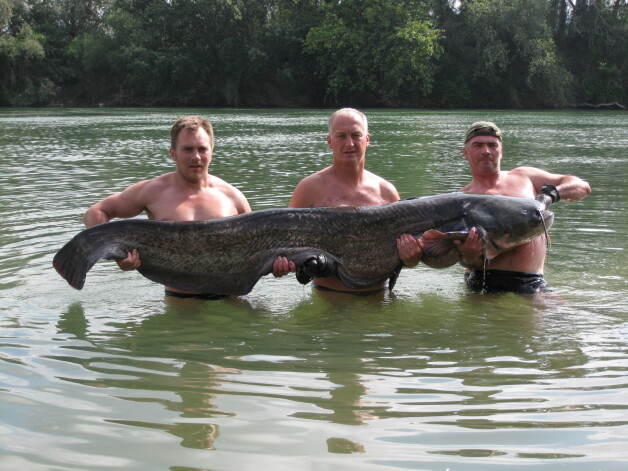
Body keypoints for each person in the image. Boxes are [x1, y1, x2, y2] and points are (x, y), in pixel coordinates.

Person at [83, 115, 252, 300]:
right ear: (173, 153)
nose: (196, 157)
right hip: (181, 303)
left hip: (231, 301)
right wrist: (118, 255)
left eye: (202, 149)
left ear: (211, 151)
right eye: (187, 149)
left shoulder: (233, 197)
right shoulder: (152, 191)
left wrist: (277, 266)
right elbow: (96, 212)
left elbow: (258, 249)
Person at [272, 108, 423, 293]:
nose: (349, 143)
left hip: (378, 300)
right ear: (330, 141)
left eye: (356, 135)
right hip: (328, 300)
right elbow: (284, 245)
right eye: (341, 136)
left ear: (367, 139)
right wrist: (281, 265)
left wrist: (412, 257)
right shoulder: (309, 189)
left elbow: (405, 258)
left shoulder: (387, 192)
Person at [454, 121, 592, 294]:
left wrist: (549, 196)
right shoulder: (460, 199)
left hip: (532, 282)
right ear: (465, 153)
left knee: (562, 318)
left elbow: (582, 186)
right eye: (478, 145)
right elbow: (460, 257)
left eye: (492, 145)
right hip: (481, 282)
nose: (486, 151)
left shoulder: (525, 177)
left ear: (501, 151)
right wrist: (468, 255)